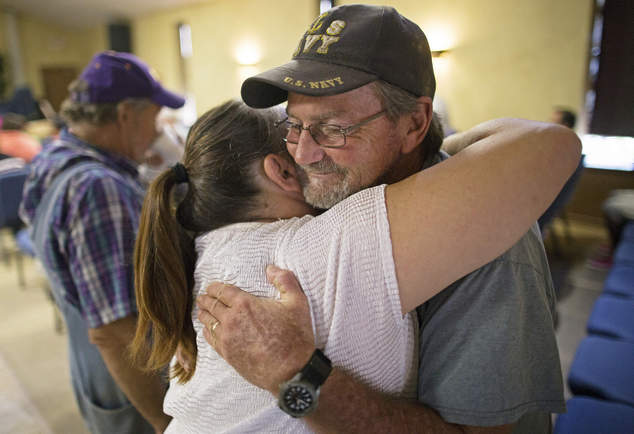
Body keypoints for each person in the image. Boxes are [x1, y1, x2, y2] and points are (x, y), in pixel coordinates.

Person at [196, 5, 578, 433]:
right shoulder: (343, 188)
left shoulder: (491, 249)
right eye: (295, 125)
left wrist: (297, 374)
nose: (302, 154)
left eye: (333, 129)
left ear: (414, 123)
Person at [132, 92, 577, 432]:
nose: (310, 148)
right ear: (283, 172)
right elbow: (550, 144)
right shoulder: (320, 244)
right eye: (296, 131)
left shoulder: (199, 253)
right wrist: (433, 161)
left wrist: (420, 158)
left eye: (327, 129)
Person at [19, 50, 185, 434]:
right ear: (126, 114)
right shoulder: (98, 188)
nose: (158, 129)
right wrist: (168, 422)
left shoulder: (55, 158)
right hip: (131, 379)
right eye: (154, 116)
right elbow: (113, 331)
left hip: (90, 368)